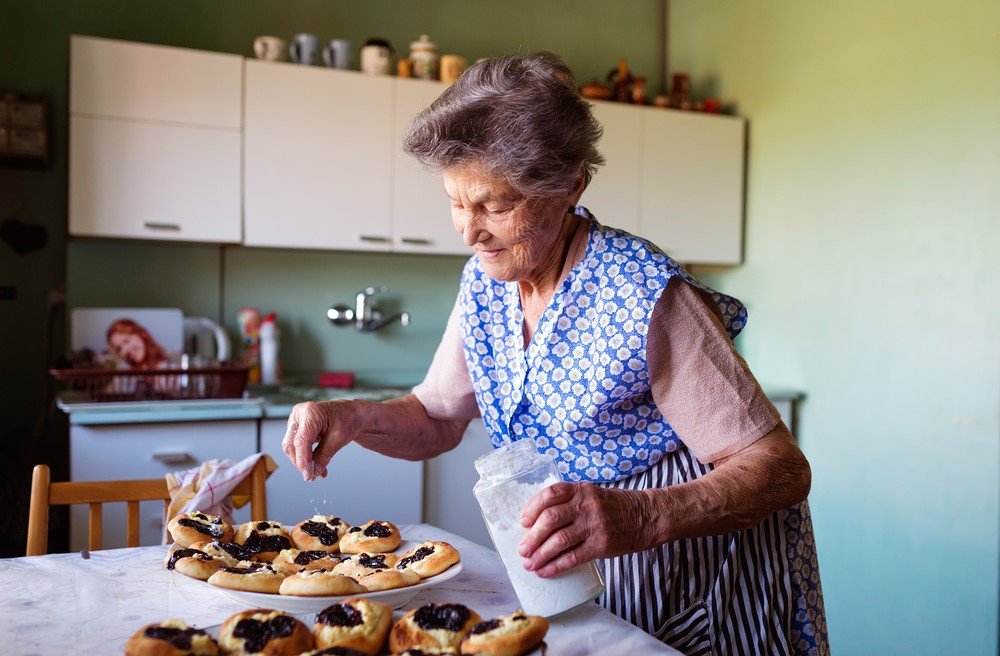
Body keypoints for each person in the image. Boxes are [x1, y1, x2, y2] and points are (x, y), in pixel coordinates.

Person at [282, 53, 828, 655]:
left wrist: (640, 518)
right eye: (456, 202)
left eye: (494, 204)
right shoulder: (487, 281)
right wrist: (353, 417)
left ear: (570, 185)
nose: (469, 231)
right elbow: (436, 418)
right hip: (579, 576)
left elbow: (780, 469)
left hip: (696, 579)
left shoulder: (644, 292)